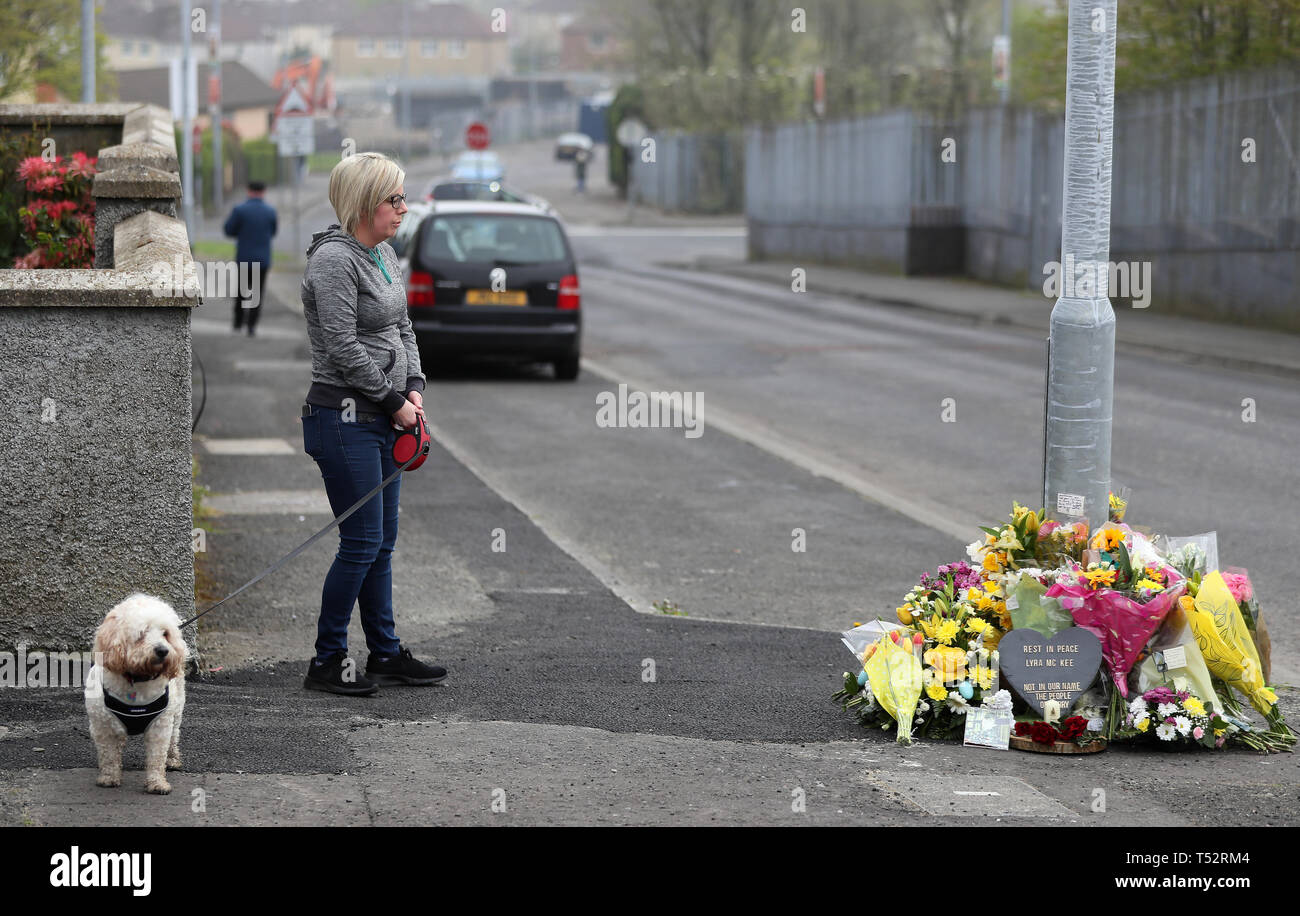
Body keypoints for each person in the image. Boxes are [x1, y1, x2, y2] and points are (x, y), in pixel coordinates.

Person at [298, 151, 445, 696]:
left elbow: (402, 328)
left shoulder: (383, 254)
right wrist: (391, 400)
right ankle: (327, 660)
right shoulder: (334, 261)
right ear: (365, 203)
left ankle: (384, 653)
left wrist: (414, 389)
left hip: (385, 414)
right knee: (360, 543)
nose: (404, 208)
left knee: (382, 543)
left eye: (404, 197)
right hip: (343, 419)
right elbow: (341, 346)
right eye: (395, 199)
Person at [223, 180, 277, 336]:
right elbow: (273, 231)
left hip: (244, 258)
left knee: (241, 291)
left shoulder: (240, 210)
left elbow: (228, 230)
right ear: (263, 191)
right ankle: (252, 326)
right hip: (263, 259)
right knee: (257, 293)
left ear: (248, 191)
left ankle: (238, 323)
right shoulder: (270, 211)